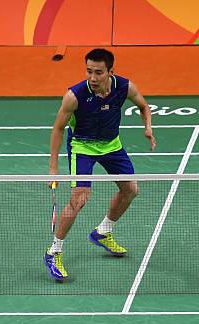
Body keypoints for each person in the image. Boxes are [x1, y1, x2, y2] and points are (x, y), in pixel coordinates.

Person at [44, 48, 156, 281]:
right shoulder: (74, 96)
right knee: (80, 198)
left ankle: (103, 231)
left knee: (131, 190)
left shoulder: (124, 87)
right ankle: (54, 251)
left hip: (111, 145)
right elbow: (57, 128)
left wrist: (148, 127)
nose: (92, 78)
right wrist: (53, 167)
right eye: (88, 71)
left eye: (98, 72)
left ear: (110, 72)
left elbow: (144, 105)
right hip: (82, 147)